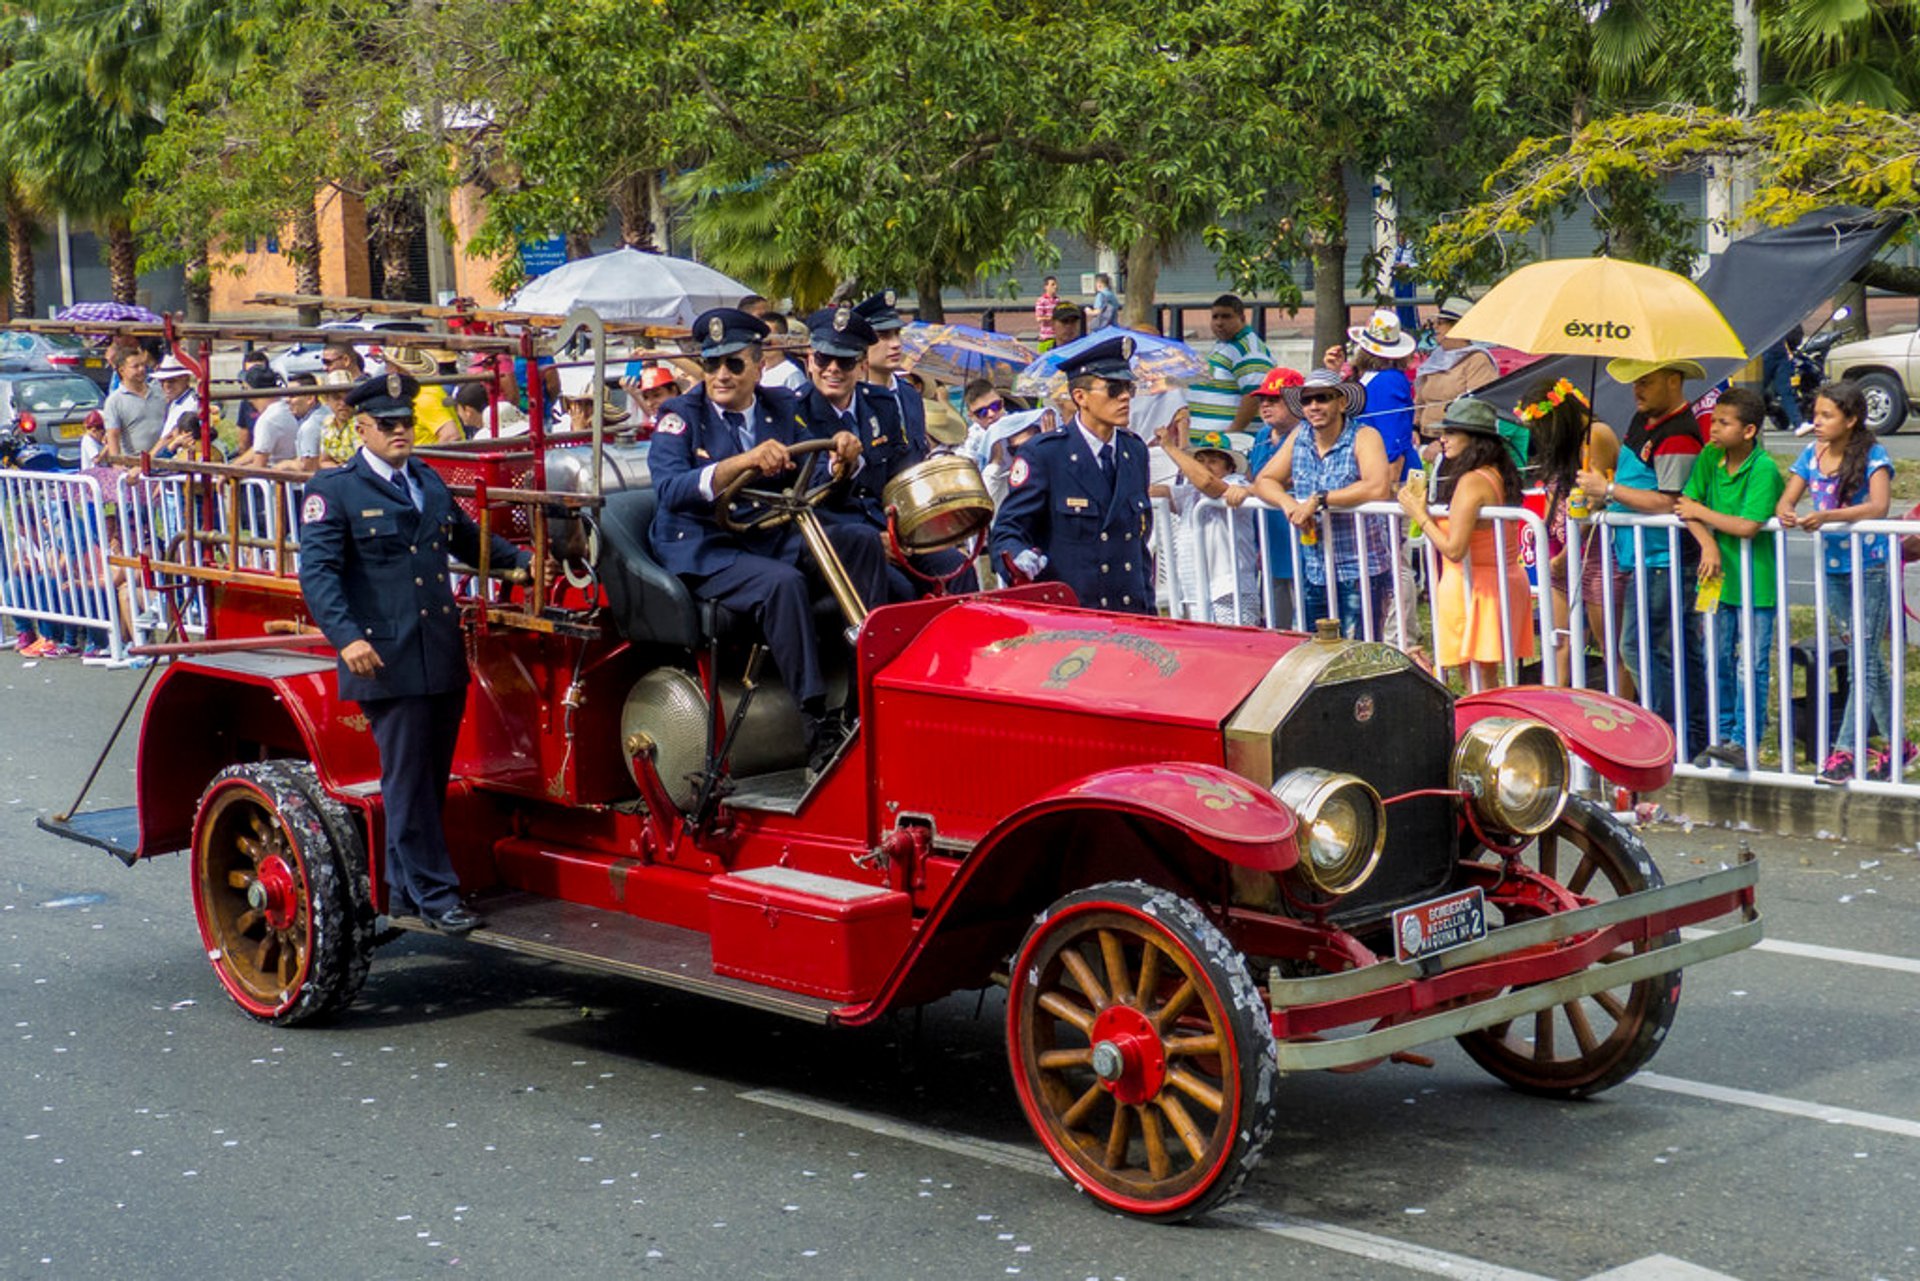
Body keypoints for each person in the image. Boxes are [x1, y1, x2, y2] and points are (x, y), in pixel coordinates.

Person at [298, 372, 534, 934]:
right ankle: (435, 895)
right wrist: (348, 638)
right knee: (407, 779)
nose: (400, 432)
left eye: (406, 424)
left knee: (429, 779)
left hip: (437, 651)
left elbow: (466, 538)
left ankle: (404, 888)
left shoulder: (425, 480)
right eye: (388, 425)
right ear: (362, 429)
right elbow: (320, 575)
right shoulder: (335, 490)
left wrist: (520, 562)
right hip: (382, 656)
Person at [647, 307, 886, 771]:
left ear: (758, 365)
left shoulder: (784, 406)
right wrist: (743, 462)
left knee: (860, 541)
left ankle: (863, 699)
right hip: (706, 546)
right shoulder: (681, 415)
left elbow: (825, 452)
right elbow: (670, 489)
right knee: (782, 584)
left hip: (769, 536)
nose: (720, 375)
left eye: (733, 364)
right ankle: (814, 721)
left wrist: (846, 455)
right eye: (711, 363)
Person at [1578, 358, 1709, 758]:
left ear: (1673, 381)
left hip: (1665, 559)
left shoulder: (1679, 435)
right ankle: (1685, 735)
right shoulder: (1643, 421)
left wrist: (1610, 490)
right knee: (1669, 648)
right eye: (1636, 381)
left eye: (1646, 382)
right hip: (1642, 554)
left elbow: (1670, 501)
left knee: (1641, 647)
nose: (1637, 389)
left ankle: (1668, 732)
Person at [1776, 379, 1899, 782]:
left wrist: (1828, 517)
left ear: (1851, 419)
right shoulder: (1813, 454)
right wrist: (1789, 512)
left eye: (1827, 416)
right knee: (1868, 660)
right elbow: (1787, 497)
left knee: (1863, 661)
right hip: (1832, 570)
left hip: (1870, 566)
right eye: (1816, 415)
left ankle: (1844, 752)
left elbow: (1878, 506)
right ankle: (1899, 745)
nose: (1819, 423)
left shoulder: (1873, 455)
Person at [990, 334, 1153, 614]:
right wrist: (1017, 557)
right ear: (1080, 397)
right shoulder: (1045, 454)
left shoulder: (1134, 451)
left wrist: (1149, 613)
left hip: (1129, 613)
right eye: (1113, 389)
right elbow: (1009, 529)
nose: (1125, 396)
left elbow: (1138, 547)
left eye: (1128, 387)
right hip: (1073, 616)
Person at [1676, 387, 1785, 770]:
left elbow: (1746, 526)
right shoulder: (1710, 457)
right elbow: (1685, 508)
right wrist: (1706, 543)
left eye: (1724, 422)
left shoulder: (1764, 469)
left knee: (1751, 663)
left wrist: (1701, 512)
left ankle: (1745, 739)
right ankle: (1722, 734)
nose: (1714, 428)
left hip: (1757, 583)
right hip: (1718, 581)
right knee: (1716, 657)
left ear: (1749, 430)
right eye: (1714, 420)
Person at [1397, 398, 1535, 690]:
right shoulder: (1496, 472)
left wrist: (1419, 514)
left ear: (1475, 440)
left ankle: (1485, 730)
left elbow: (1454, 549)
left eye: (1451, 433)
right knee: (1482, 677)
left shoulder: (1473, 480)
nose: (1442, 440)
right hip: (1490, 583)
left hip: (1478, 588)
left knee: (1480, 680)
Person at [1249, 367, 1394, 638]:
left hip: (1360, 568)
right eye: (1307, 400)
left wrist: (1319, 500)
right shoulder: (1300, 436)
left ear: (1341, 402)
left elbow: (1378, 487)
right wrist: (1288, 503)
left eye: (1323, 398)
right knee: (1313, 653)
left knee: (1356, 655)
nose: (1314, 406)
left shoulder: (1364, 436)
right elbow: (1264, 480)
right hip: (1313, 569)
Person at [1516, 376, 1622, 689]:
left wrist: (1566, 554)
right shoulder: (1565, 447)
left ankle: (1618, 715)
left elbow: (1593, 504)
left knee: (1609, 646)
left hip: (1595, 553)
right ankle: (1556, 710)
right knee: (1560, 639)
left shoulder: (1596, 435)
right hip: (1563, 551)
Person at [1157, 428, 1260, 625]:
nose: (1206, 466)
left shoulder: (1236, 483)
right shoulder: (1190, 492)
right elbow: (1157, 492)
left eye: (1213, 461)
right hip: (1196, 593)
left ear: (1230, 468)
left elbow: (1207, 482)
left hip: (1230, 590)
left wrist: (1170, 447)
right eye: (1201, 461)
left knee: (1237, 649)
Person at [1242, 367, 1304, 628]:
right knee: (1276, 619)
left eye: (1274, 399)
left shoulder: (1305, 434)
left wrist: (1252, 488)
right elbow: (1251, 477)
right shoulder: (1261, 435)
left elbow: (1281, 479)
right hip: (1267, 539)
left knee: (1304, 615)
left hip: (1299, 539)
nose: (1265, 405)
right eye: (1261, 400)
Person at [1347, 309, 1419, 483]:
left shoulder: (1389, 380)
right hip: (1372, 469)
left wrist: (1388, 484)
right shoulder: (1367, 378)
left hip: (1391, 475)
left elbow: (1394, 437)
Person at [1188, 294, 1274, 434]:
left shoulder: (1249, 350)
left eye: (1226, 316)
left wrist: (1232, 434)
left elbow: (1253, 396)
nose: (1219, 323)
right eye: (1215, 317)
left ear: (1242, 318)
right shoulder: (1225, 345)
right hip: (1209, 444)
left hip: (1227, 445)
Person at [1413, 298, 1499, 436]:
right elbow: (1420, 402)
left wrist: (1444, 441)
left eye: (1440, 323)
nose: (1435, 327)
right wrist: (1414, 429)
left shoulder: (1477, 360)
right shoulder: (1436, 357)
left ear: (1458, 327)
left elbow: (1477, 409)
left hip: (1456, 442)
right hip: (1425, 438)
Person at [979, 407, 1051, 510]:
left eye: (1028, 448)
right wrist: (995, 461)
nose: (1023, 455)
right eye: (1015, 450)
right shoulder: (1005, 482)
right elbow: (984, 509)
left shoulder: (1057, 470)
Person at [99, 348, 165, 458]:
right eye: (136, 367)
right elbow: (113, 436)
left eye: (143, 365)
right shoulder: (114, 401)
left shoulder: (159, 392)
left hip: (164, 461)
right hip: (135, 465)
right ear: (122, 371)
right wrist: (118, 465)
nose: (142, 369)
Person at [234, 369, 297, 467]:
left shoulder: (267, 420)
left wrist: (230, 473)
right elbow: (259, 448)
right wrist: (233, 466)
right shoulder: (286, 408)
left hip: (275, 477)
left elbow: (259, 466)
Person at [1034, 276, 1060, 350]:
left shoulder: (1057, 300)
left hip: (1056, 337)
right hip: (1046, 338)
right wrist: (1052, 318)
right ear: (1046, 287)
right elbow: (1039, 318)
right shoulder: (1041, 300)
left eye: (1055, 284)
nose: (1055, 287)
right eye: (1052, 284)